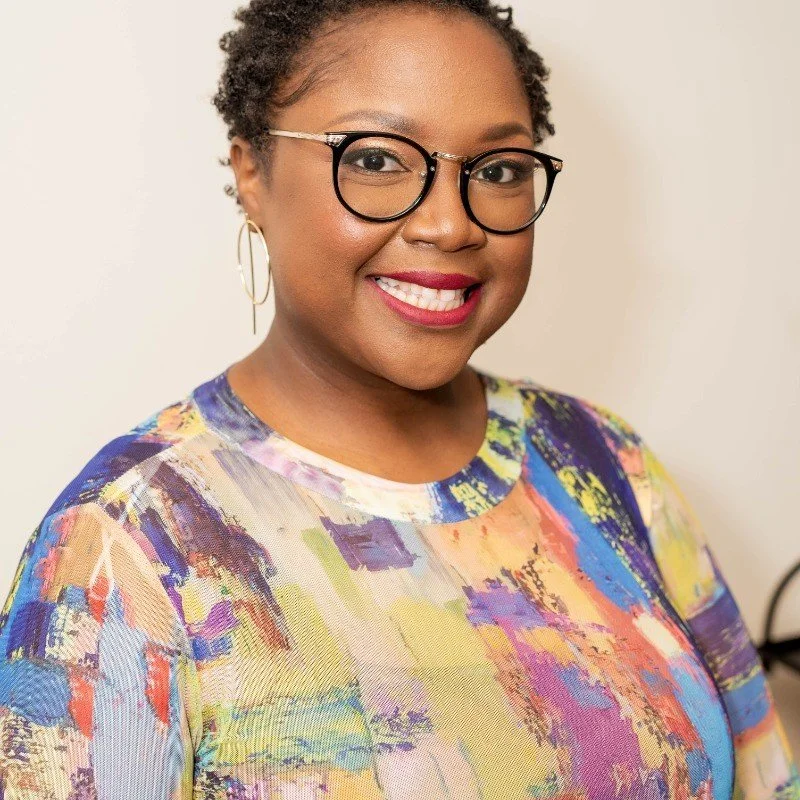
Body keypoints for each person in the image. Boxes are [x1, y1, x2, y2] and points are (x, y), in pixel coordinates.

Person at [1, 0, 797, 797]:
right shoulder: (128, 545)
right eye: (377, 159)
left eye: (497, 170)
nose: (451, 224)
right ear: (252, 173)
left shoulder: (601, 462)